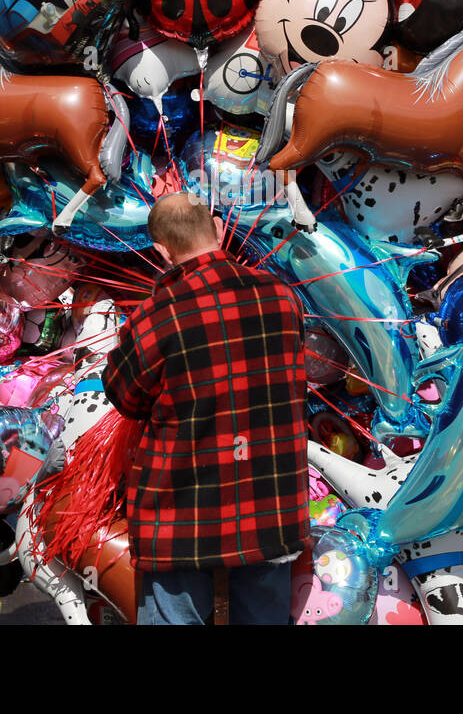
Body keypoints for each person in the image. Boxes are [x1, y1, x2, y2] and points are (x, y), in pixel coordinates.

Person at [102, 192, 308, 625]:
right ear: (217, 227)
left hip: (182, 504)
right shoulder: (283, 298)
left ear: (161, 251)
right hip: (268, 496)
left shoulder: (155, 316)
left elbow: (124, 397)